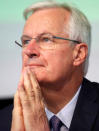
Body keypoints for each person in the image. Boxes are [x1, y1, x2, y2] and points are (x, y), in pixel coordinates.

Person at [1, 0, 99, 131]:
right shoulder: (3, 120)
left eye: (46, 39)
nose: (29, 51)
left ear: (78, 54)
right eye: (26, 41)